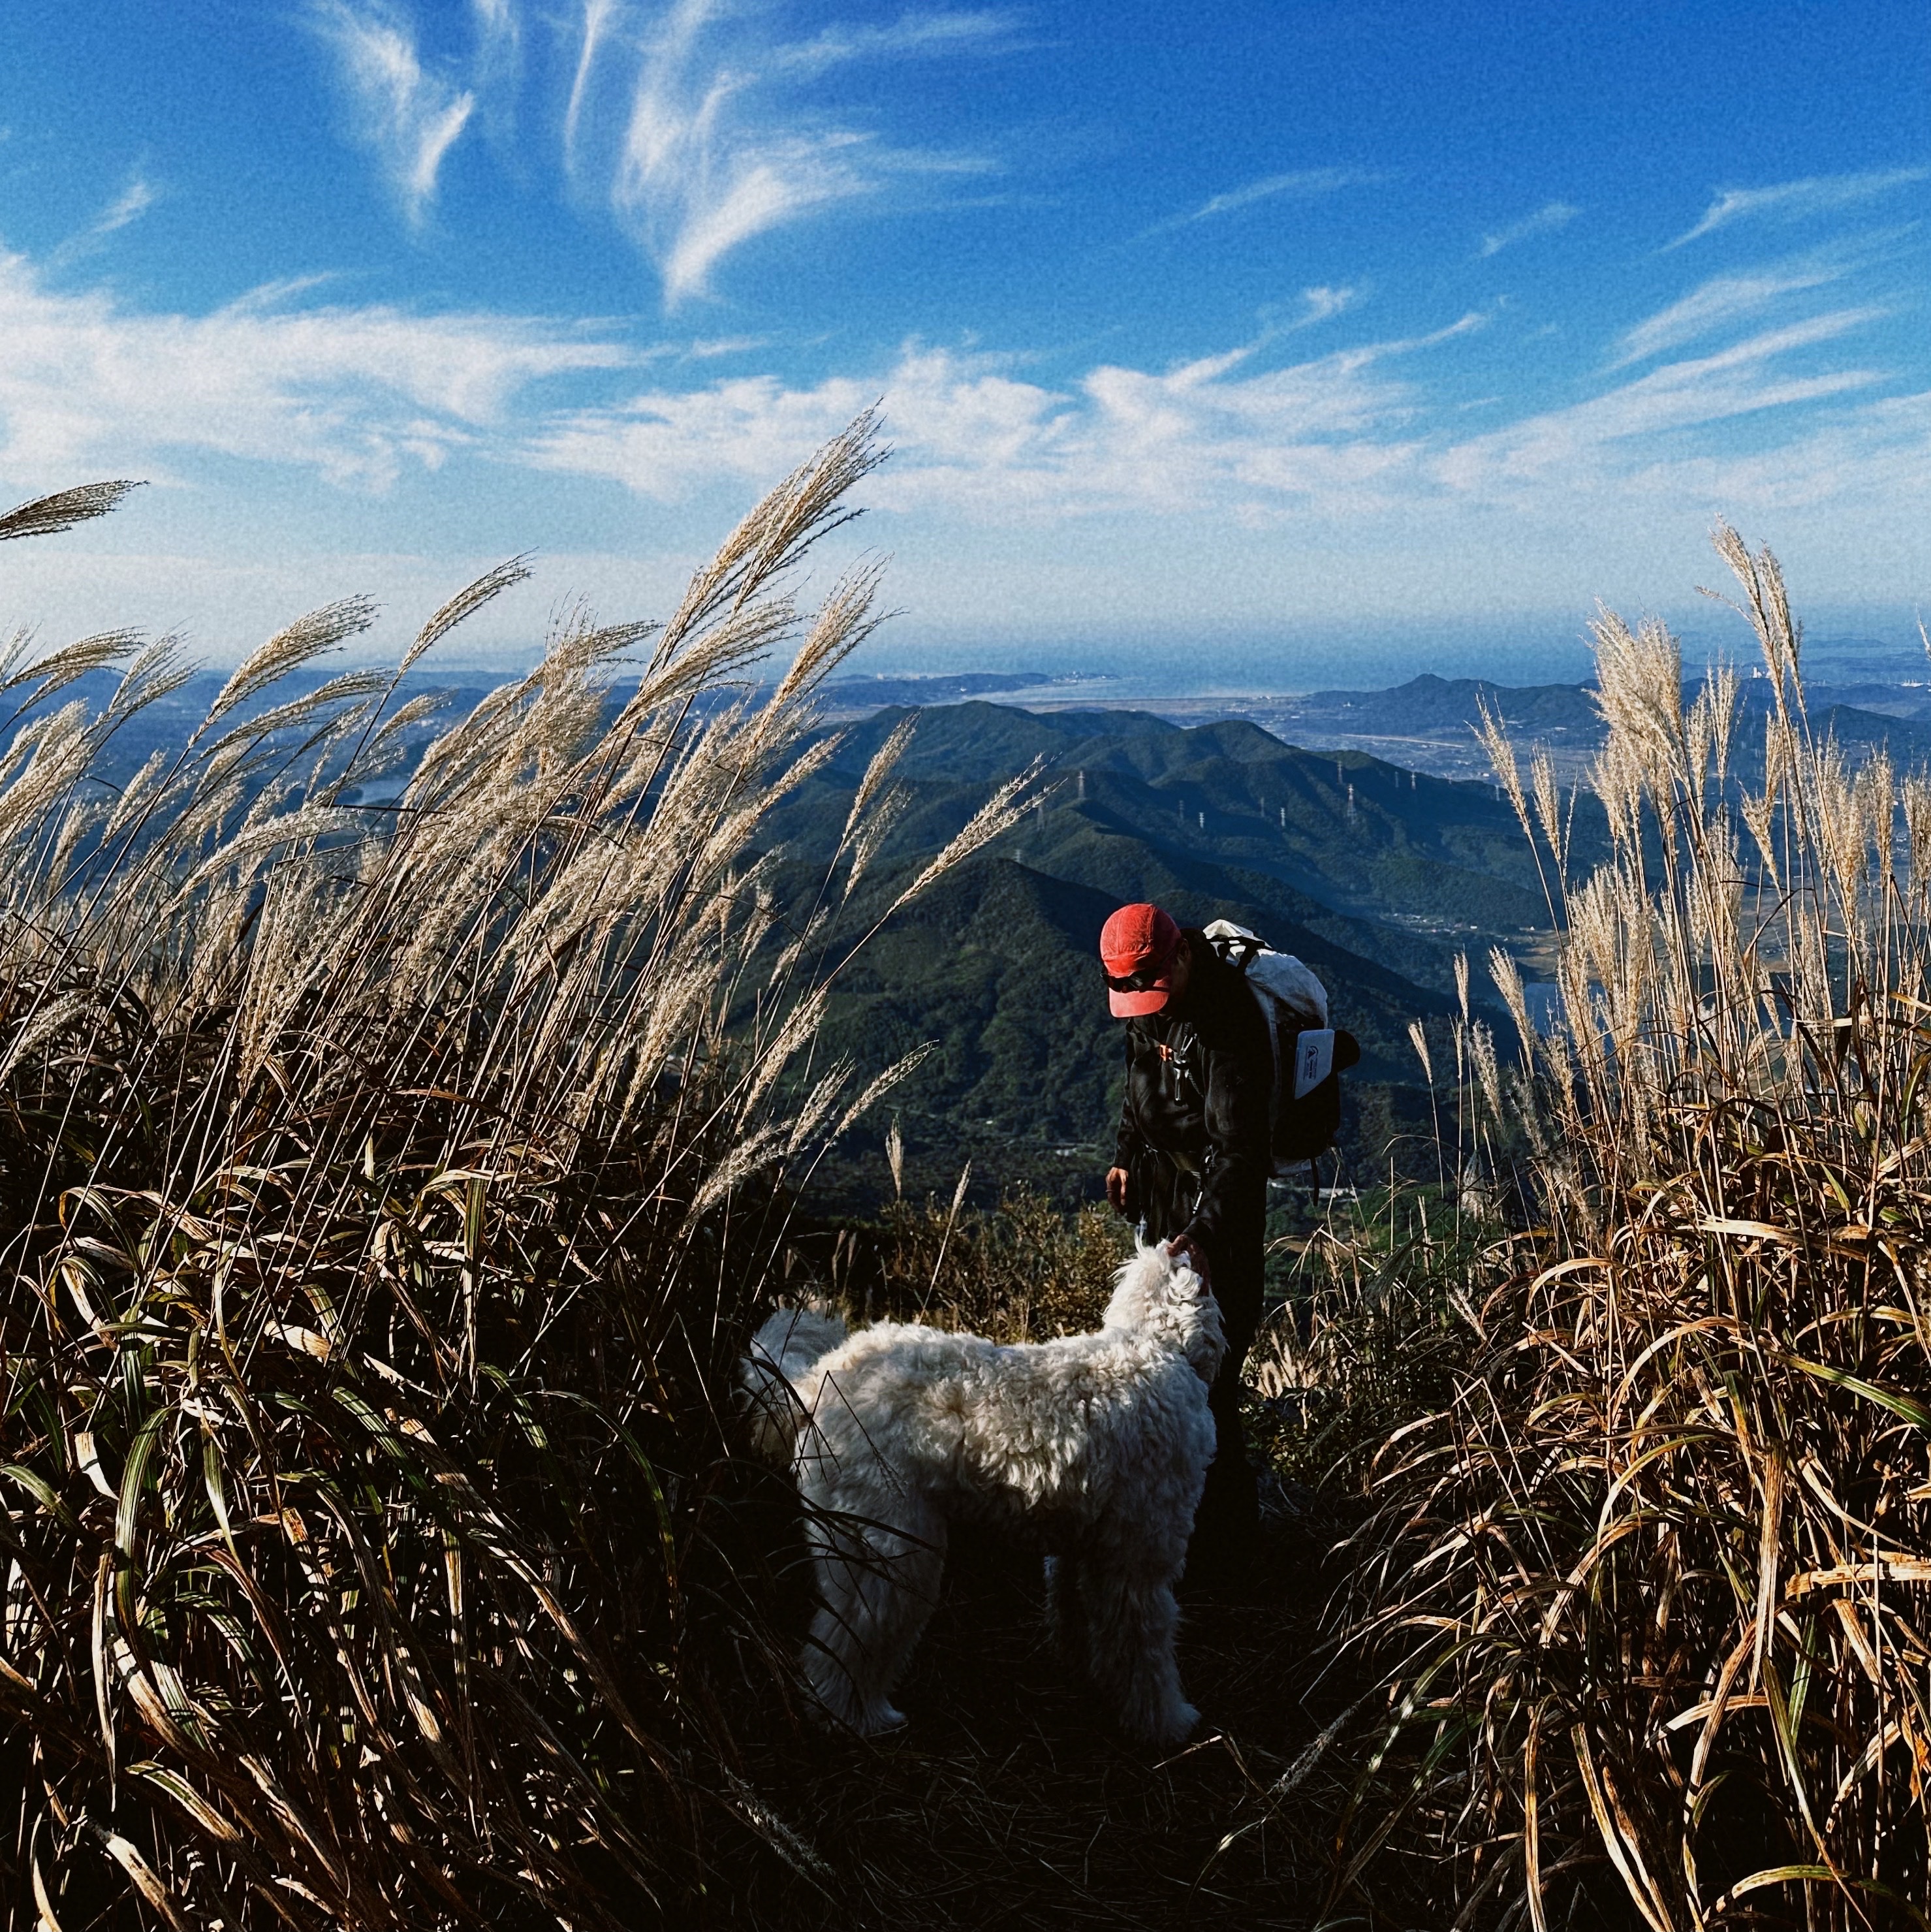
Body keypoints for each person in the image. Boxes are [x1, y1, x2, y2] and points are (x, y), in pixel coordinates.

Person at [1100, 902, 1267, 1570]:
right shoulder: (1145, 999)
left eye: (1153, 988)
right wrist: (1123, 1154)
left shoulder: (1231, 1027)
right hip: (1166, 1205)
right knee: (1157, 1373)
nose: (1147, 1004)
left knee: (1212, 1385)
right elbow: (1136, 1088)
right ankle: (1176, 1536)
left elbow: (1240, 1150)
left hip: (1220, 1219)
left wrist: (1204, 1234)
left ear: (1183, 957)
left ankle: (1233, 1555)